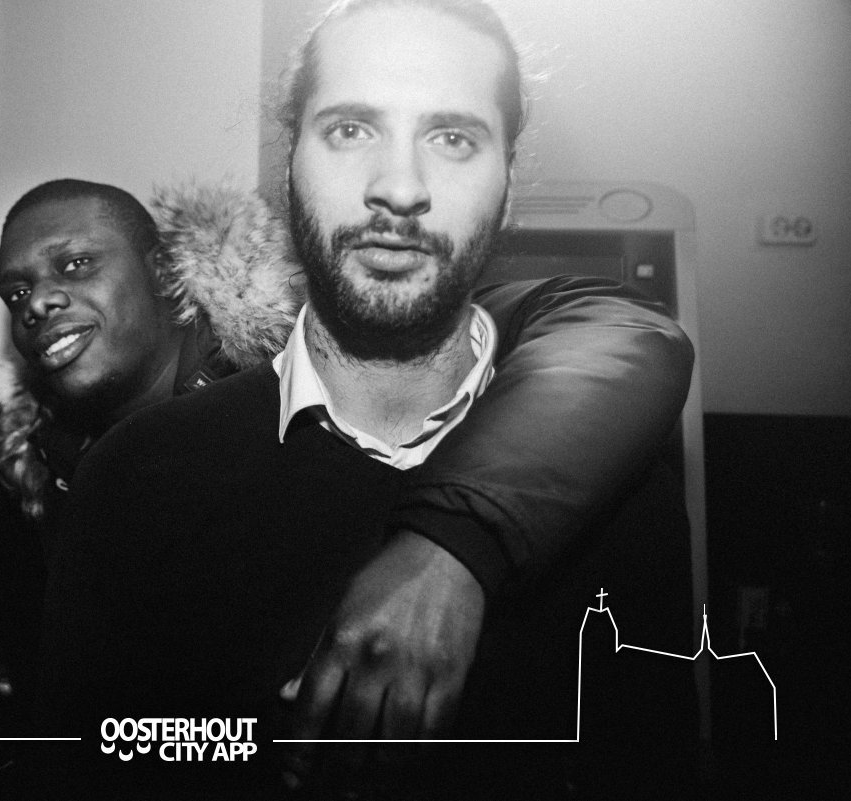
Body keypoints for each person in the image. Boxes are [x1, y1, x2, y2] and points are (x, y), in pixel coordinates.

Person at [37, 1, 698, 798]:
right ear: (290, 159)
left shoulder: (618, 487)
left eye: (452, 138)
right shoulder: (135, 479)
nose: (399, 187)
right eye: (351, 129)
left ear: (508, 183)